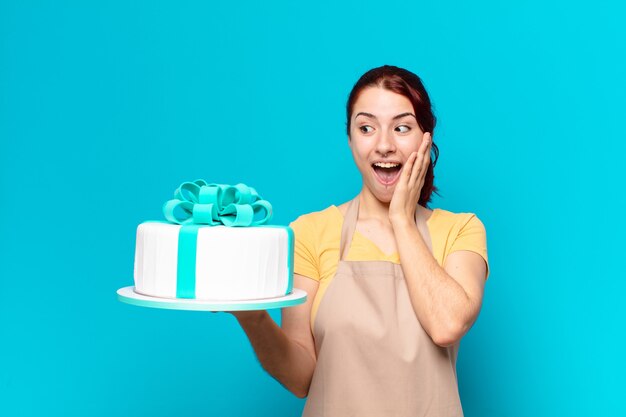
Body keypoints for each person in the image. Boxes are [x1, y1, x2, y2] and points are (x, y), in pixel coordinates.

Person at [231, 65, 489, 416]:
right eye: (366, 128)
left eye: (401, 128)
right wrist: (251, 316)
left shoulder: (461, 230)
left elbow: (446, 325)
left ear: (425, 139)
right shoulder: (310, 232)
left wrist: (401, 219)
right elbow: (299, 377)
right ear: (350, 139)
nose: (384, 145)